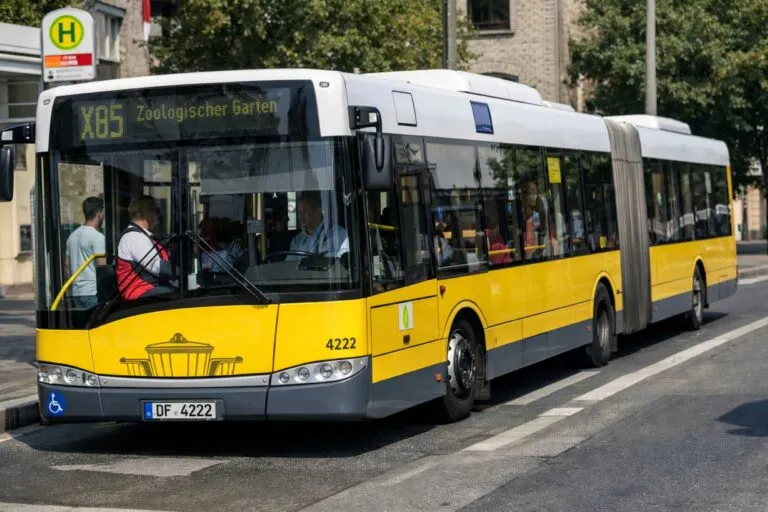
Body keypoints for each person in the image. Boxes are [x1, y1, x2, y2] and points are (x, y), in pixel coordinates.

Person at [116, 195, 173, 300]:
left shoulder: (143, 236)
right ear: (147, 214)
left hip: (150, 289)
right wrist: (180, 272)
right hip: (140, 292)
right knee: (180, 295)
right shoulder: (134, 237)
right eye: (155, 211)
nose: (157, 216)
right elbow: (155, 266)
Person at [64, 197, 106, 309]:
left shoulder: (72, 236)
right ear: (99, 213)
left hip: (77, 294)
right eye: (103, 212)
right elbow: (102, 268)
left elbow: (67, 265)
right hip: (93, 293)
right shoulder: (98, 237)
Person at [287, 191, 348, 259]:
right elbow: (289, 267)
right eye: (299, 212)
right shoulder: (297, 241)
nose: (301, 216)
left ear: (317, 211)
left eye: (305, 211)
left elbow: (342, 264)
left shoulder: (337, 234)